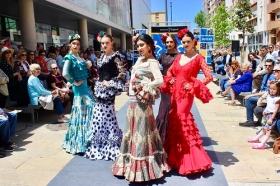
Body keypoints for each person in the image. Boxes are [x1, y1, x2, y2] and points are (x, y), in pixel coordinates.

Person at [111, 34, 170, 182]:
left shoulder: (152, 62)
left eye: (142, 45)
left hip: (142, 104)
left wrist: (146, 85)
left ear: (150, 45)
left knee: (142, 133)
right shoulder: (139, 60)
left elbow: (160, 80)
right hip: (132, 102)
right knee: (132, 132)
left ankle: (143, 169)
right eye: (137, 46)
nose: (139, 48)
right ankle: (129, 165)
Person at [160, 28, 213, 175]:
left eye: (188, 42)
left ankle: (189, 159)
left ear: (194, 42)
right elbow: (169, 71)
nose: (185, 44)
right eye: (183, 42)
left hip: (186, 95)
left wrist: (193, 84)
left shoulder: (199, 58)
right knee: (175, 120)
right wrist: (171, 79)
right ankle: (175, 157)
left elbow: (209, 77)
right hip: (175, 92)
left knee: (183, 120)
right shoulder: (178, 57)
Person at [84, 32, 126, 160]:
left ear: (112, 43)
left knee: (108, 117)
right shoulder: (101, 56)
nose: (104, 45)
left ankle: (111, 146)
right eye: (102, 43)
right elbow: (100, 73)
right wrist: (98, 80)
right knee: (97, 117)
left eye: (107, 43)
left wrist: (110, 83)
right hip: (99, 90)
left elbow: (122, 73)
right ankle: (99, 146)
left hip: (108, 92)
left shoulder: (116, 57)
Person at [61, 33, 95, 154]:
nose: (76, 45)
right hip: (80, 90)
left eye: (78, 44)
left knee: (88, 113)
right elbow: (65, 73)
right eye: (73, 43)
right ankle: (80, 142)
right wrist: (73, 82)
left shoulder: (79, 57)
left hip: (86, 88)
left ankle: (87, 139)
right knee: (82, 113)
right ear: (70, 44)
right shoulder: (69, 57)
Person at [156, 32, 179, 143]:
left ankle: (172, 137)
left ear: (175, 42)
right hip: (164, 87)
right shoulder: (162, 55)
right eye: (167, 42)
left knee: (172, 108)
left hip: (175, 86)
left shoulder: (180, 56)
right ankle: (161, 136)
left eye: (171, 42)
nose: (169, 44)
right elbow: (155, 67)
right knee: (163, 108)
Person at [239, 59, 275, 127]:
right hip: (262, 96)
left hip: (267, 98)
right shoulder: (265, 76)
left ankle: (250, 121)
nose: (267, 67)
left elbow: (267, 91)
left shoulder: (272, 77)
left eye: (270, 66)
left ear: (273, 66)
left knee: (248, 99)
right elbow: (262, 89)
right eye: (266, 65)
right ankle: (259, 120)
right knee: (250, 98)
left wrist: (254, 95)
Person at [248, 81, 280, 149]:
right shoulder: (269, 96)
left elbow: (275, 110)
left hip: (272, 116)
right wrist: (265, 110)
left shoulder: (277, 99)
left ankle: (262, 144)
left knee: (268, 130)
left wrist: (271, 118)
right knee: (264, 128)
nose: (271, 90)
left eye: (274, 89)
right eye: (270, 88)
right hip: (266, 114)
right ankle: (256, 138)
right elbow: (269, 105)